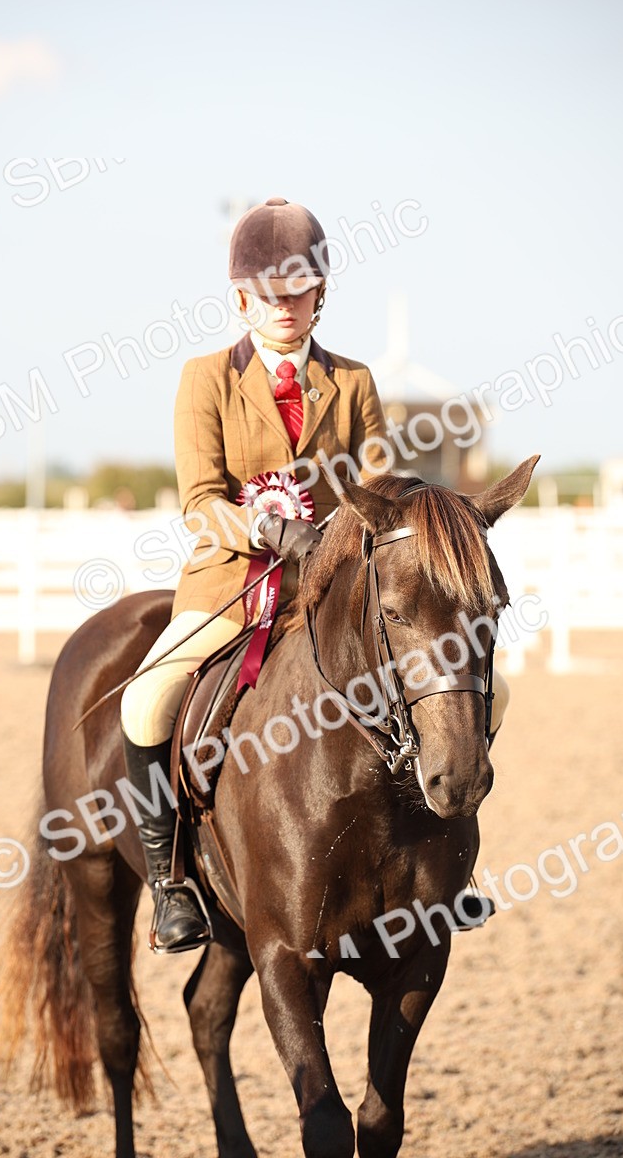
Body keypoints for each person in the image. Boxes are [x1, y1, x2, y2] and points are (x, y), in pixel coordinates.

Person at [119, 196, 507, 953]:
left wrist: (371, 533)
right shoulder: (206, 378)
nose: (284, 306)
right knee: (146, 701)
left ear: (319, 293)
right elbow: (200, 501)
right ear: (242, 299)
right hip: (231, 581)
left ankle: (446, 863)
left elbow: (380, 484)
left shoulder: (353, 381)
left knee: (478, 690)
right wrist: (271, 528)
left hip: (332, 589)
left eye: (298, 291)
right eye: (268, 293)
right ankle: (171, 883)